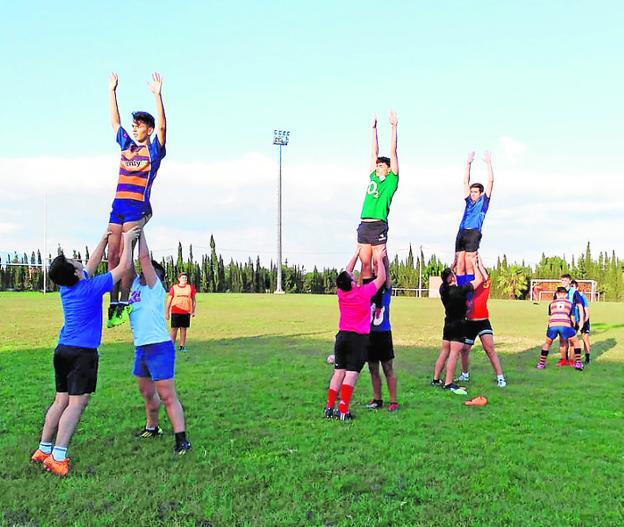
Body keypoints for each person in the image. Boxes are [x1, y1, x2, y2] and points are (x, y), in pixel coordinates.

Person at [31, 227, 140, 476]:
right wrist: (127, 241)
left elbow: (88, 267)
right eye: (72, 260)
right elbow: (123, 268)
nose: (76, 259)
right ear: (74, 271)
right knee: (76, 404)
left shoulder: (68, 288)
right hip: (82, 354)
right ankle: (58, 457)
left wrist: (103, 239)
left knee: (61, 400)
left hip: (63, 351)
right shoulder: (91, 288)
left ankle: (43, 449)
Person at [106, 72, 167, 328]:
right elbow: (115, 123)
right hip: (117, 205)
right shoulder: (126, 146)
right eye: (135, 125)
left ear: (148, 130)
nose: (135, 127)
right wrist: (112, 92)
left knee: (126, 254)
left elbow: (163, 127)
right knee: (112, 255)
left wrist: (157, 95)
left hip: (136, 207)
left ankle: (123, 300)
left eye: (140, 125)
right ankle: (113, 301)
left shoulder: (153, 151)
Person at [128, 231, 191, 454]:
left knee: (166, 394)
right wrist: (127, 239)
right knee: (146, 392)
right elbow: (126, 263)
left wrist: (140, 231)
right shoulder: (135, 285)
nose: (145, 270)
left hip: (159, 348)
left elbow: (143, 259)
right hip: (141, 348)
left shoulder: (155, 288)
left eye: (151, 270)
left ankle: (182, 439)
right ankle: (152, 427)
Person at [324, 249, 386, 421]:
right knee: (351, 374)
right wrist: (380, 260)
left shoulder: (341, 293)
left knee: (338, 372)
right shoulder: (362, 293)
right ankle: (343, 410)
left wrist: (357, 254)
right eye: (352, 278)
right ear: (351, 283)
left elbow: (346, 272)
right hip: (357, 339)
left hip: (342, 337)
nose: (355, 277)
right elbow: (381, 279)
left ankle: (329, 408)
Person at [357, 112, 398, 286]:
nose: (378, 167)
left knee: (378, 262)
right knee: (365, 265)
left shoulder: (391, 181)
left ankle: (383, 295)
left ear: (388, 169)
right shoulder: (373, 176)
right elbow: (374, 152)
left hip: (378, 224)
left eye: (381, 165)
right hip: (365, 224)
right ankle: (366, 298)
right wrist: (373, 129)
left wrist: (394, 127)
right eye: (377, 165)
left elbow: (393, 152)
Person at [431, 260, 483, 394]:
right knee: (454, 354)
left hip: (447, 324)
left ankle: (436, 379)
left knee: (444, 352)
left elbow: (446, 276)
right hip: (459, 324)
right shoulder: (461, 290)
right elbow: (479, 280)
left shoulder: (443, 289)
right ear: (453, 277)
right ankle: (448, 383)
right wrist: (476, 266)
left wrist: (453, 265)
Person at [456, 258, 507, 387]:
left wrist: (477, 263)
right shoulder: (468, 287)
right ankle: (465, 374)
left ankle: (500, 378)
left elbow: (484, 275)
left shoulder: (485, 285)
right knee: (465, 349)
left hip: (483, 321)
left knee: (489, 349)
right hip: (469, 323)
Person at [454, 151, 493, 286]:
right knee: (460, 261)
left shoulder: (484, 202)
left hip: (474, 232)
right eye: (471, 192)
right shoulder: (469, 201)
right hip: (462, 231)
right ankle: (460, 289)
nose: (472, 194)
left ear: (480, 193)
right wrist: (468, 163)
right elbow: (465, 181)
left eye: (475, 192)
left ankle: (469, 293)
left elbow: (491, 181)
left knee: (470, 262)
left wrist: (488, 163)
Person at [365, 261, 398, 412]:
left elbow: (387, 271)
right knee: (373, 368)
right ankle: (377, 399)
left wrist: (382, 256)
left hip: (384, 333)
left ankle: (393, 401)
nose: (375, 269)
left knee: (388, 368)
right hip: (370, 333)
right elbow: (364, 272)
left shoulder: (386, 288)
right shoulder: (368, 289)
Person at [537, 287, 583, 371]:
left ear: (557, 294)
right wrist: (574, 326)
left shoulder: (551, 303)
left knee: (547, 343)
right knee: (575, 341)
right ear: (566, 295)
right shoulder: (570, 303)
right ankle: (578, 363)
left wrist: (550, 326)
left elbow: (551, 316)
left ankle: (541, 364)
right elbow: (572, 317)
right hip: (565, 325)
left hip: (552, 325)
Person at [166, 272, 197, 353]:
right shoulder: (174, 288)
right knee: (174, 330)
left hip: (186, 311)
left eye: (185, 278)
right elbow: (169, 300)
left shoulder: (190, 288)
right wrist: (167, 312)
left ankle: (182, 346)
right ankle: (171, 346)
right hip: (176, 311)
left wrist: (193, 310)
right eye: (182, 278)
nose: (184, 279)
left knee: (183, 329)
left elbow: (193, 300)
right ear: (179, 279)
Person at [559, 274, 586, 367]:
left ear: (570, 281)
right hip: (561, 320)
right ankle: (563, 360)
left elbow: (580, 306)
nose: (563, 282)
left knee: (572, 341)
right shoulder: (558, 292)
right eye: (562, 280)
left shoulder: (574, 292)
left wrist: (581, 321)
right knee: (562, 340)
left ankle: (571, 360)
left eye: (565, 280)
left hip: (572, 320)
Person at [570, 280, 591, 364]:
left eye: (573, 287)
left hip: (583, 319)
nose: (572, 289)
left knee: (585, 338)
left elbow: (586, 310)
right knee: (572, 339)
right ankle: (571, 359)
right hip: (574, 319)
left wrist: (584, 320)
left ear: (577, 288)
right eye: (571, 287)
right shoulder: (569, 296)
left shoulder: (582, 296)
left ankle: (587, 358)